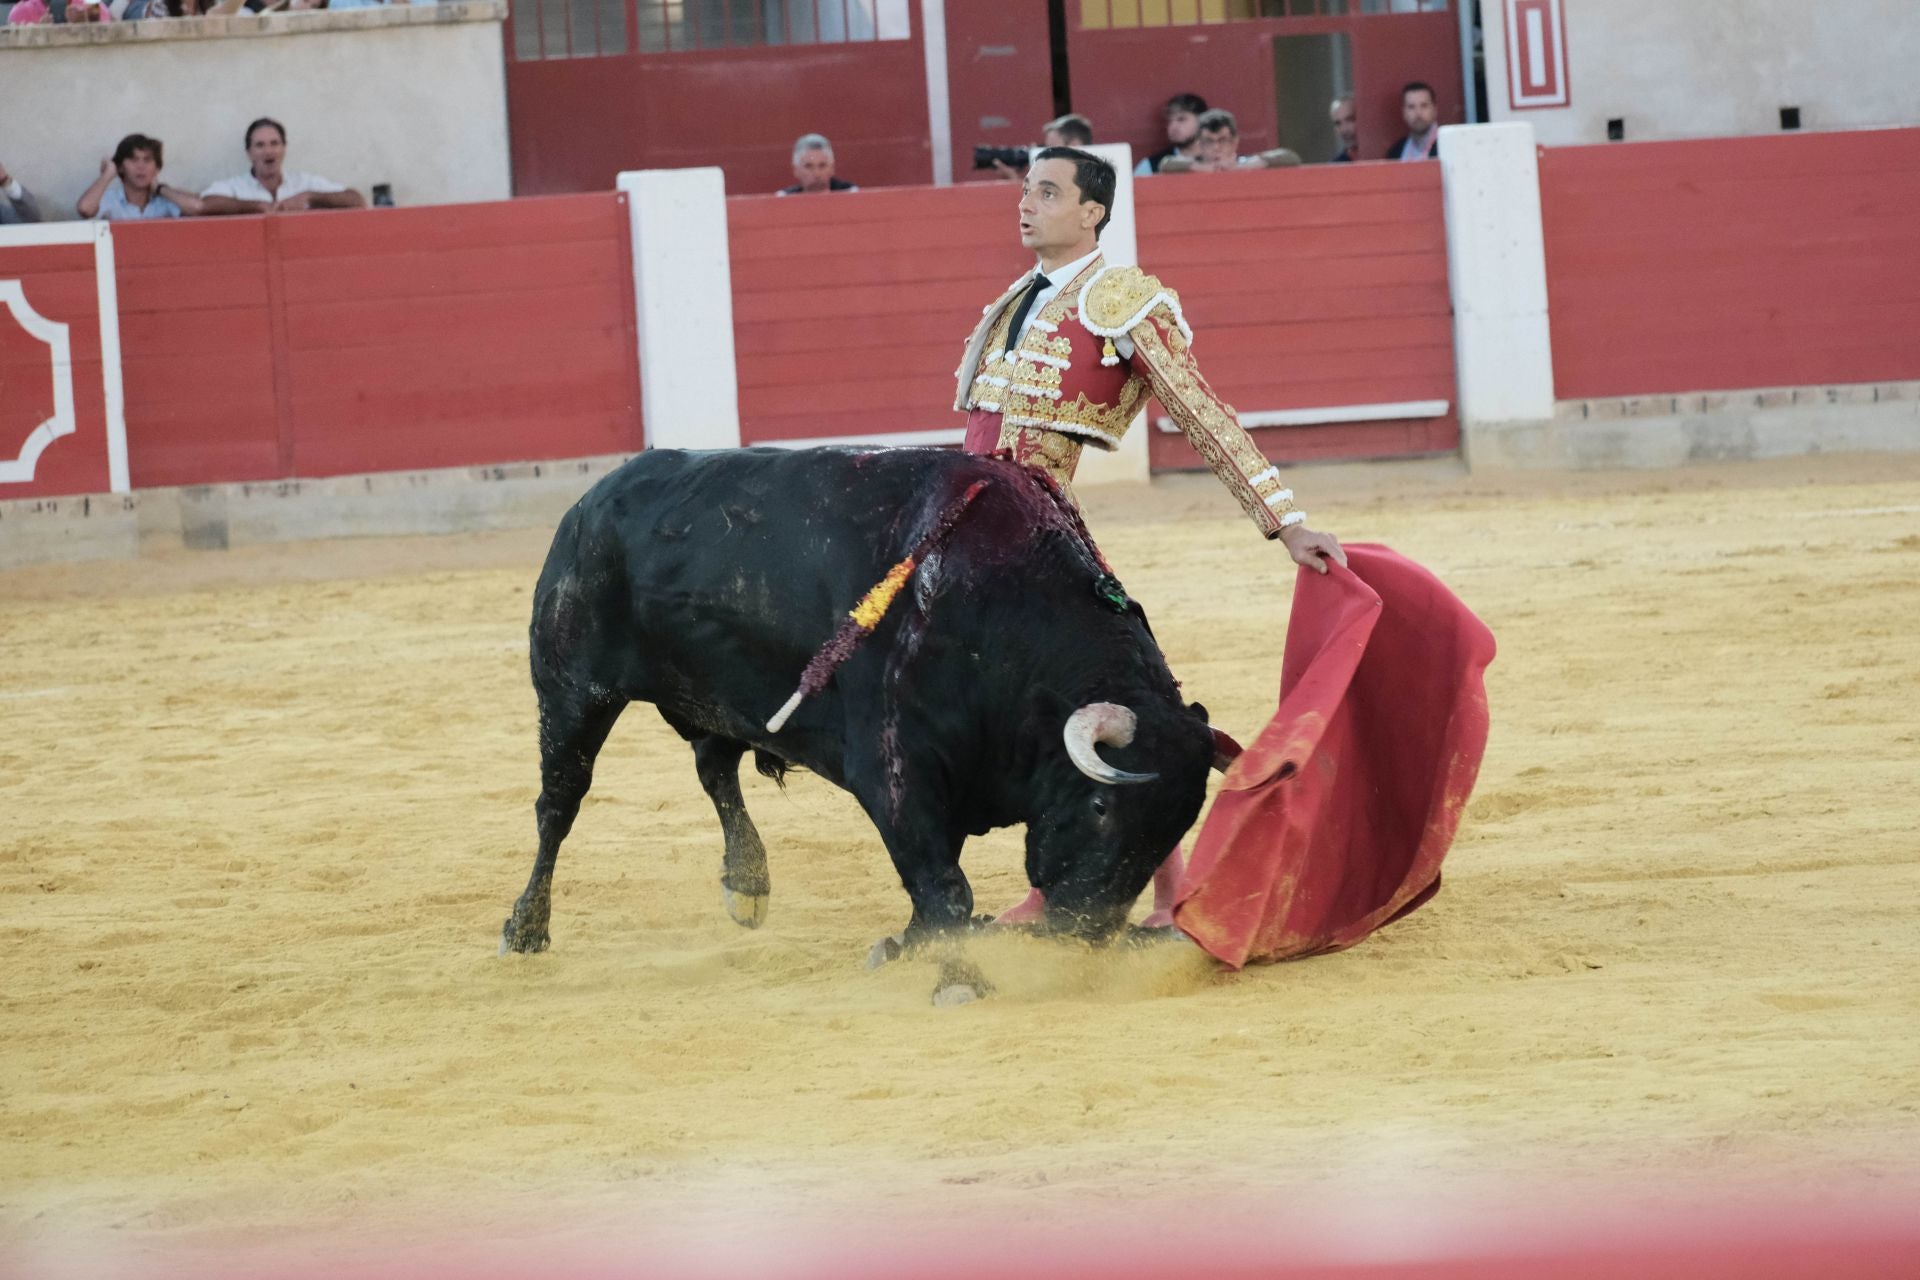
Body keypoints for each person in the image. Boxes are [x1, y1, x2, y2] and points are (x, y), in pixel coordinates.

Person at [955, 147, 1344, 557]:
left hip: (1037, 532)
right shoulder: (1013, 300)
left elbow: (1200, 413)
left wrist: (1286, 523)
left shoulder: (1122, 302)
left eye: (1047, 193)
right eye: (1026, 190)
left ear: (1091, 214)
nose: (1026, 204)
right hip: (963, 523)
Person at [200, 119, 366, 216]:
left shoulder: (303, 183)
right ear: (249, 153)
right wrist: (257, 206)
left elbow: (356, 200)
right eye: (260, 145)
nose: (268, 151)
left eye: (274, 144)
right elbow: (206, 205)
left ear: (284, 149)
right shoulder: (235, 186)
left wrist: (310, 197)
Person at [76, 135, 202, 220]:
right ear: (120, 167)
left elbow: (197, 209)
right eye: (133, 159)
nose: (141, 166)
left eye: (147, 160)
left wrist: (160, 189)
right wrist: (107, 175)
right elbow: (85, 209)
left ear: (157, 168)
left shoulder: (166, 199)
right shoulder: (112, 199)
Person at [1134, 93, 1207, 176]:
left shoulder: (1218, 159)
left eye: (1181, 119)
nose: (1173, 127)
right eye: (1169, 121)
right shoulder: (1151, 165)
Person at [778, 134, 857, 195]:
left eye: (822, 165)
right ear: (795, 170)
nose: (816, 173)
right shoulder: (783, 199)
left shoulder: (853, 195)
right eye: (808, 166)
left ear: (832, 168)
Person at [1386, 81, 1440, 160]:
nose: (1418, 113)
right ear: (1404, 112)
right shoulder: (1396, 151)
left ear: (1435, 110)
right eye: (1411, 107)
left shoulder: (1449, 146)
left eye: (1424, 106)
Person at [1330, 95, 1359, 163]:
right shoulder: (1334, 167)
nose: (1344, 130)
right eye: (1338, 123)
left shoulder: (1386, 159)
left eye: (1350, 119)